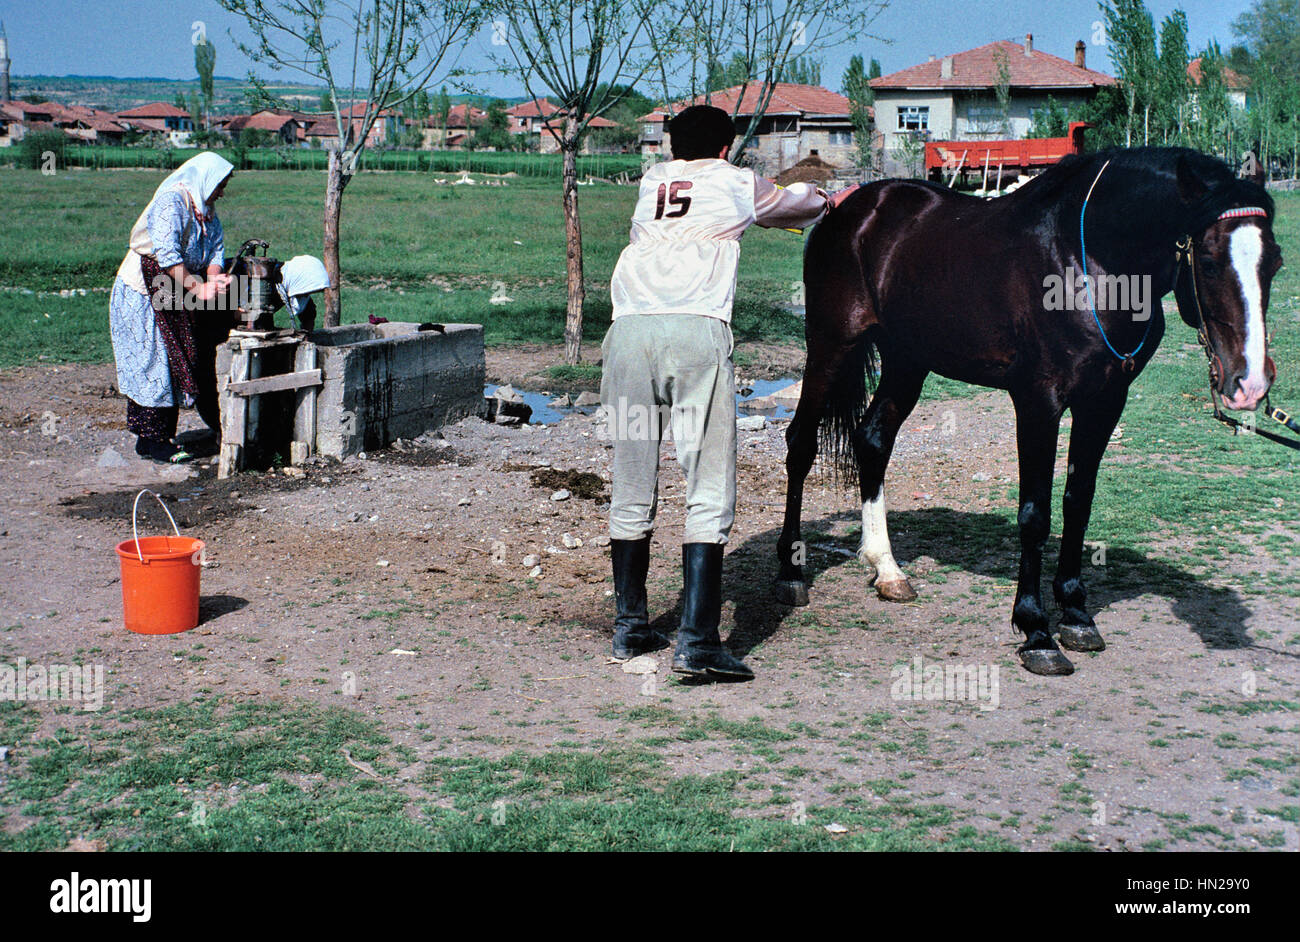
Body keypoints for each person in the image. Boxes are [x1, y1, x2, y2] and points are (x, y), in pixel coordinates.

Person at [601, 104, 841, 681]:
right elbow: (798, 206)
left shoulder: (652, 182)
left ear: (669, 146)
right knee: (708, 481)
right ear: (728, 145)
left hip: (627, 331)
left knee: (632, 477)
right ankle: (699, 641)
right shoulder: (736, 182)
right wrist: (830, 196)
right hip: (695, 330)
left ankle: (631, 626)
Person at [109, 152, 233, 463]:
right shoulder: (172, 201)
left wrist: (215, 282)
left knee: (174, 355)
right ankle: (155, 441)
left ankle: (152, 439)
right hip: (144, 289)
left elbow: (216, 251)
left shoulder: (206, 210)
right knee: (153, 360)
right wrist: (200, 288)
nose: (222, 191)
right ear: (206, 179)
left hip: (172, 289)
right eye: (220, 184)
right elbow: (168, 256)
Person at [272, 255, 331, 332]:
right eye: (306, 293)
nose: (305, 296)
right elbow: (254, 315)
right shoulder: (266, 283)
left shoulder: (293, 284)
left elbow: (308, 316)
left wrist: (307, 336)